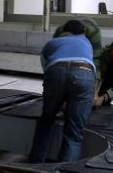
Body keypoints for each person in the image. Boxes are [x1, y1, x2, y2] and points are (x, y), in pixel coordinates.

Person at [29, 20, 95, 163]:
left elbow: (46, 70)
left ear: (64, 31)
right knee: (74, 133)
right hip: (84, 72)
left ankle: (35, 163)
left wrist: (55, 102)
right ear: (82, 32)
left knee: (46, 120)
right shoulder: (86, 42)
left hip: (55, 70)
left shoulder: (51, 43)